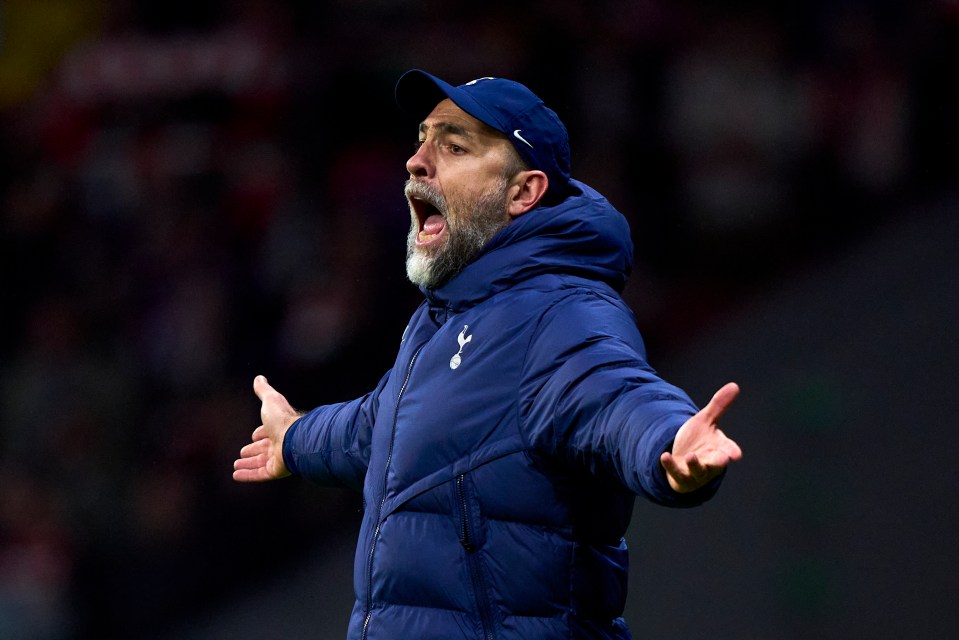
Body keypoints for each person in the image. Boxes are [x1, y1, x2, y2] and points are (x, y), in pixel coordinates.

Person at [233, 69, 743, 640]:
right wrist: (294, 438)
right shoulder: (443, 317)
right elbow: (381, 428)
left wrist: (669, 442)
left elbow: (617, 394)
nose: (416, 162)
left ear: (523, 192)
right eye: (422, 139)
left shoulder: (559, 312)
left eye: (454, 146)